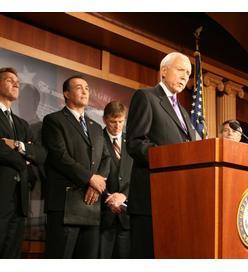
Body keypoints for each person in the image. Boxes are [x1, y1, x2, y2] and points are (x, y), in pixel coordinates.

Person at [126, 52, 197, 258]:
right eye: (181, 70)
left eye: (189, 73)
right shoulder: (146, 97)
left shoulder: (184, 112)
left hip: (178, 198)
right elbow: (136, 143)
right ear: (164, 71)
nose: (185, 76)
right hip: (151, 198)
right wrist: (170, 159)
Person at [42, 75, 110, 258]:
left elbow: (106, 159)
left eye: (87, 88)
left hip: (91, 204)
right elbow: (59, 156)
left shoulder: (96, 127)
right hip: (64, 204)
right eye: (79, 87)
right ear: (66, 93)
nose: (85, 91)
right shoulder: (53, 120)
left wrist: (97, 184)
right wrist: (90, 178)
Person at [0, 67, 46, 258]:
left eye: (17, 81)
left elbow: (40, 154)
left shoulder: (22, 124)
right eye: (10, 80)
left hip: (19, 198)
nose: (16, 83)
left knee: (12, 254)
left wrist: (17, 146)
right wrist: (23, 161)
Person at [100, 101, 133, 258]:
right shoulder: (96, 139)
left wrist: (124, 196)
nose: (117, 126)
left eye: (121, 121)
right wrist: (109, 198)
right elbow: (92, 173)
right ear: (104, 119)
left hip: (126, 216)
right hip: (103, 215)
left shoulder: (132, 143)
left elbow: (136, 175)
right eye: (113, 121)